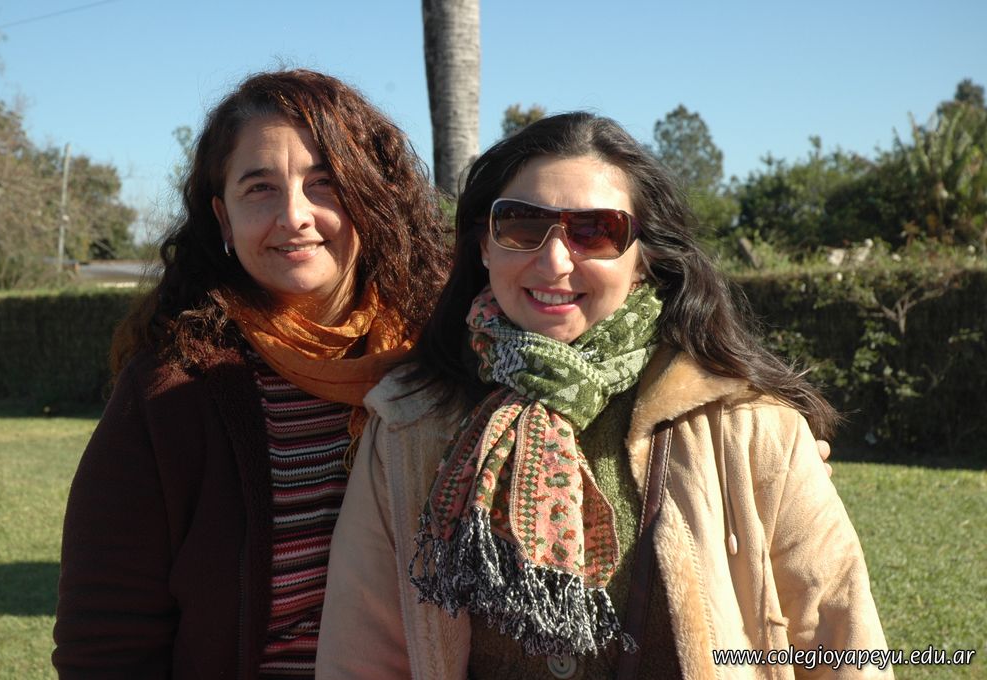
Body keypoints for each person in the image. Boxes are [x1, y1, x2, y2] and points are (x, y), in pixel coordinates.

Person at [316, 112, 889, 679]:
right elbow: (364, 655)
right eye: (521, 224)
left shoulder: (747, 423)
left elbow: (840, 642)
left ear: (644, 259)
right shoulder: (409, 424)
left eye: (595, 231)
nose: (554, 260)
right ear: (485, 246)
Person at [52, 69, 449, 678]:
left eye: (325, 183)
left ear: (373, 196)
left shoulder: (448, 364)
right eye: (260, 188)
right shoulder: (172, 391)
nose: (294, 215)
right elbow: (105, 639)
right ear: (223, 219)